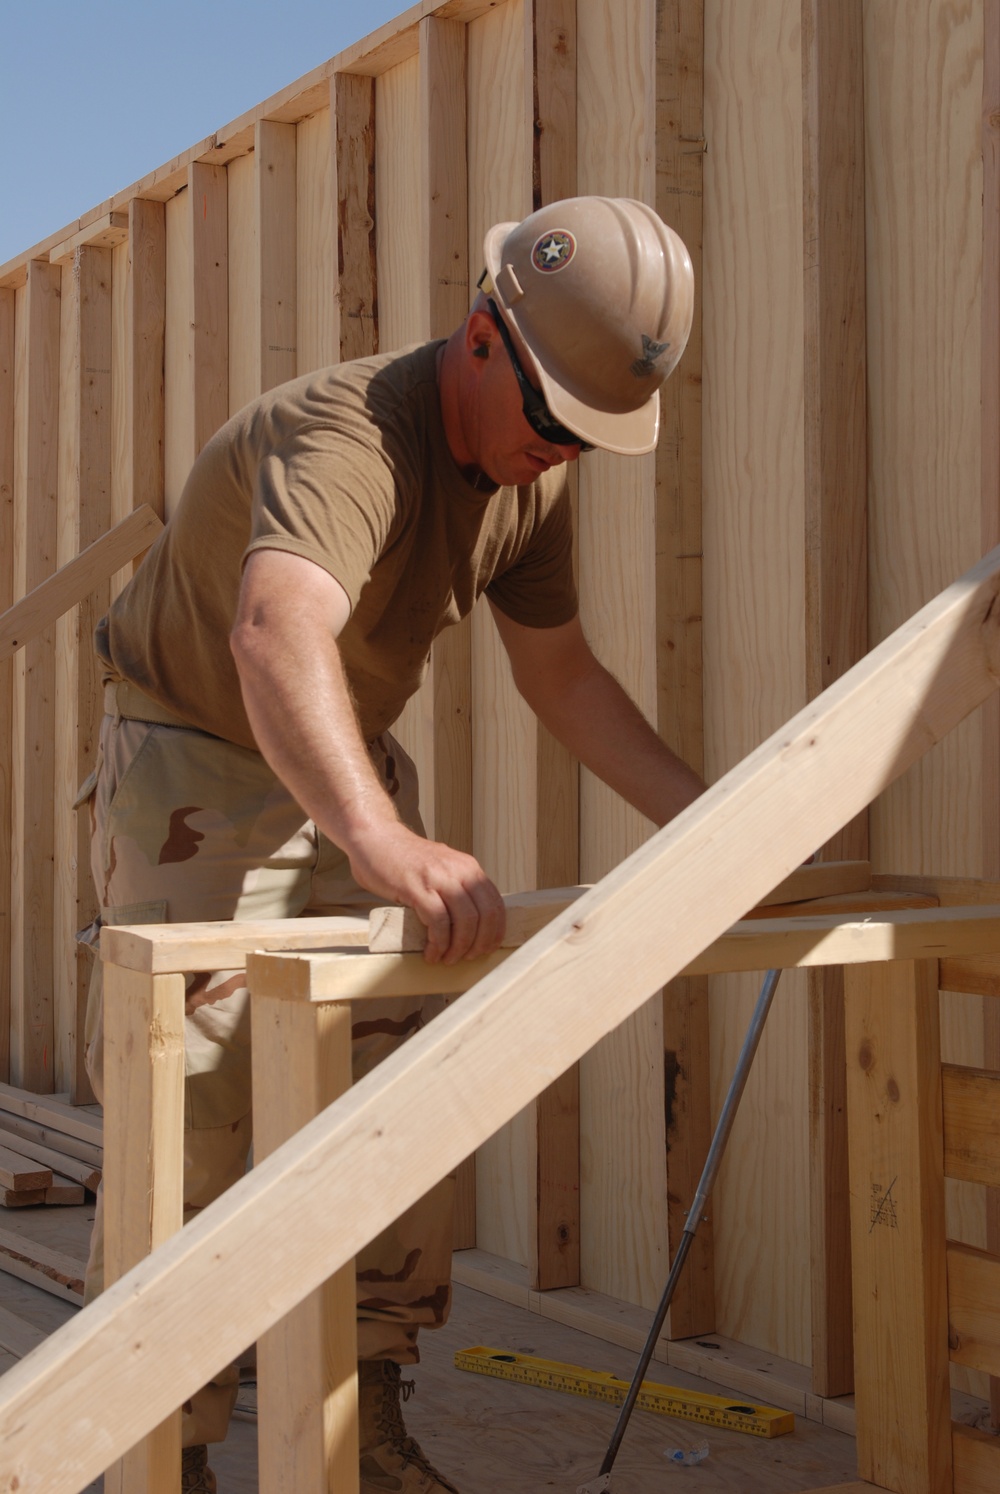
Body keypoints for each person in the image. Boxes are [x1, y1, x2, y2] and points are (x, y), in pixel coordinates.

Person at [80, 194, 704, 1493]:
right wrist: (376, 833)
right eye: (551, 419)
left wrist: (715, 824)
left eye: (592, 434)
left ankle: (354, 1427)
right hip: (195, 755)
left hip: (343, 754)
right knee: (193, 1101)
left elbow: (567, 678)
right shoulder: (349, 435)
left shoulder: (534, 473)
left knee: (387, 1101)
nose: (562, 451)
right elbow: (273, 634)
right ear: (483, 338)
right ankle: (157, 1447)